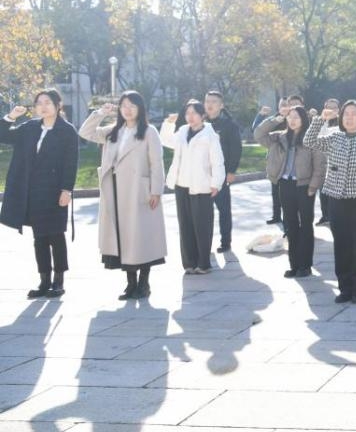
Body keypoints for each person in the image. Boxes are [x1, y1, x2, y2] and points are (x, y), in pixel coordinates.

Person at [79, 92, 167, 300]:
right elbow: (85, 132)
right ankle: (130, 284)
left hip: (139, 191)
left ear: (140, 109)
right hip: (115, 192)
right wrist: (100, 113)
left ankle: (144, 283)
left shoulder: (149, 132)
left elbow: (157, 163)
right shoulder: (113, 131)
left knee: (141, 237)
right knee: (123, 238)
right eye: (124, 105)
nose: (127, 109)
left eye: (132, 106)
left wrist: (156, 190)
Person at [1, 89, 79, 298]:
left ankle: (58, 281)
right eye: (39, 103)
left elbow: (71, 163)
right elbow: (3, 135)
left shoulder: (67, 131)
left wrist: (67, 190)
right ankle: (44, 281)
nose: (43, 106)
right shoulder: (29, 128)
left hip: (55, 191)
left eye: (47, 102)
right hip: (32, 190)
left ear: (57, 105)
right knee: (39, 237)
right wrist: (11, 117)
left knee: (56, 235)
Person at [304, 100, 356, 303]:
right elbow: (309, 141)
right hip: (337, 199)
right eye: (346, 114)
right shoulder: (334, 137)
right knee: (341, 244)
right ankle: (345, 287)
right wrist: (320, 119)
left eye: (354, 113)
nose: (349, 117)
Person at [254, 104, 325, 278]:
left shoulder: (311, 139)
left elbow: (319, 165)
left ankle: (305, 265)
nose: (292, 120)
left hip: (305, 186)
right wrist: (277, 117)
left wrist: (313, 186)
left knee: (306, 225)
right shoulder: (279, 137)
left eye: (296, 117)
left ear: (303, 120)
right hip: (285, 185)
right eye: (290, 117)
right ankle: (294, 265)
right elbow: (259, 134)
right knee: (290, 225)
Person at [161, 100, 225, 275]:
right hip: (182, 185)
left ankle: (203, 263)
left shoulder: (210, 135)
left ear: (202, 115)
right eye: (187, 113)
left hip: (202, 186)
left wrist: (216, 183)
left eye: (194, 113)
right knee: (185, 225)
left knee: (202, 226)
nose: (190, 116)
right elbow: (166, 140)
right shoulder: (182, 131)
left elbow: (218, 161)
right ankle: (189, 263)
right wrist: (168, 124)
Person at [202, 91, 242, 254]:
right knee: (204, 211)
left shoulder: (229, 125)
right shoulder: (200, 123)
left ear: (221, 105)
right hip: (202, 175)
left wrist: (231, 171)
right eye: (207, 101)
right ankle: (204, 242)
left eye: (214, 101)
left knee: (223, 210)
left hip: (221, 175)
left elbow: (236, 149)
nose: (210, 104)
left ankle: (226, 242)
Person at [253, 101, 285, 225]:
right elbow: (256, 131)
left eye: (287, 104)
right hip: (275, 158)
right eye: (282, 105)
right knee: (275, 191)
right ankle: (276, 215)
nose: (284, 107)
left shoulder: (297, 117)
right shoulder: (275, 118)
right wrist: (260, 115)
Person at [316, 97, 340, 225]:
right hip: (323, 163)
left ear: (338, 109)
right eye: (328, 107)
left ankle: (336, 217)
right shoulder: (321, 122)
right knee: (323, 192)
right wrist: (323, 120)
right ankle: (325, 215)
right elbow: (318, 138)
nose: (331, 110)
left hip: (338, 164)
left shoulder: (343, 122)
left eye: (334, 107)